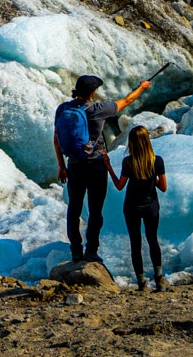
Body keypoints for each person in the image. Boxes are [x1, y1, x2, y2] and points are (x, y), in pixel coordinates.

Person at [53, 74, 152, 264]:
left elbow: (56, 140)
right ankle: (91, 250)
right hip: (96, 164)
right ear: (93, 92)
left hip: (74, 164)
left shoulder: (63, 109)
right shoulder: (98, 109)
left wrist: (61, 166)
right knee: (95, 210)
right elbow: (127, 100)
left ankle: (75, 251)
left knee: (74, 208)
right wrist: (142, 87)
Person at [109, 124, 168, 291]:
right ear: (147, 141)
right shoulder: (157, 161)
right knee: (152, 240)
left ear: (132, 143)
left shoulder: (128, 162)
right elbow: (163, 187)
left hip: (132, 207)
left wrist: (108, 167)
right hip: (151, 207)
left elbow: (120, 186)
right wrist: (151, 178)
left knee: (135, 244)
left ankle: (141, 282)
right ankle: (159, 278)